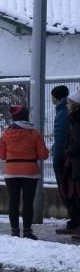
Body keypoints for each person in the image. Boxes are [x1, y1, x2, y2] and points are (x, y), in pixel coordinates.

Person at [0, 105, 49, 239]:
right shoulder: (34, 133)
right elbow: (43, 155)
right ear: (26, 117)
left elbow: (2, 156)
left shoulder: (5, 134)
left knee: (13, 202)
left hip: (11, 171)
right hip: (30, 171)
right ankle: (27, 231)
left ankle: (14, 231)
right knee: (28, 202)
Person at [51, 85, 79, 234]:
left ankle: (75, 221)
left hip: (65, 160)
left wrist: (57, 158)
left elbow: (61, 138)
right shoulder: (66, 114)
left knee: (67, 191)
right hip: (70, 159)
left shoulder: (62, 115)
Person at [67, 93, 80, 241]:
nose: (67, 105)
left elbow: (77, 144)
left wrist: (67, 152)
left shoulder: (76, 121)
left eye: (69, 103)